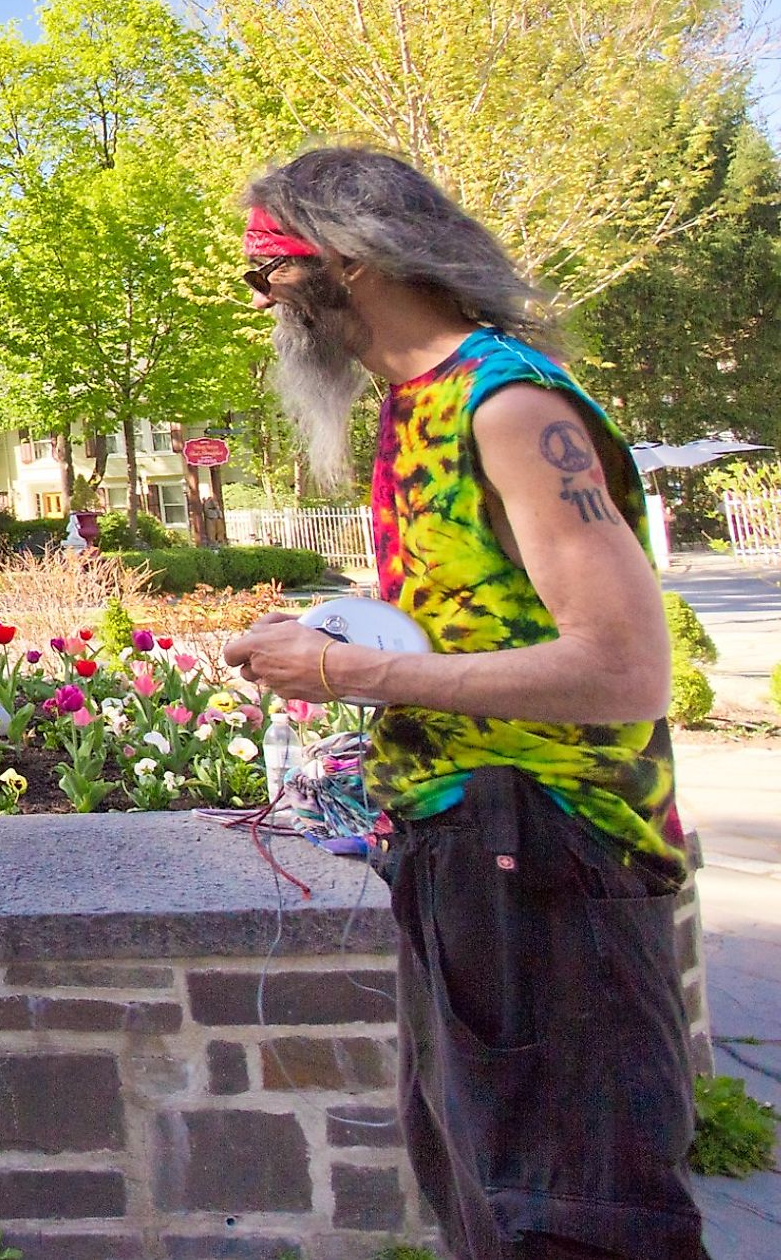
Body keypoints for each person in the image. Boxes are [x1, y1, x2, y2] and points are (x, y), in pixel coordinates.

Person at [222, 147, 701, 1260]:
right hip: (464, 849)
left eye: (267, 273)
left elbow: (623, 666)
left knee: (571, 1218)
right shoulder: (415, 409)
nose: (265, 303)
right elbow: (481, 618)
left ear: (348, 260)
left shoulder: (509, 401)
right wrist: (337, 633)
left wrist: (351, 672)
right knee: (486, 1198)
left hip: (552, 852)